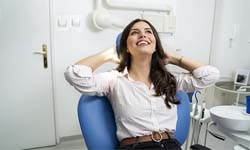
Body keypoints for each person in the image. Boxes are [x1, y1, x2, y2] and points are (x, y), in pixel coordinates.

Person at [64, 18, 220, 150]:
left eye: (148, 32)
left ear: (155, 45)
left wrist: (174, 58)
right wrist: (108, 55)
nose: (142, 35)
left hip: (171, 145)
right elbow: (75, 74)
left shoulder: (170, 80)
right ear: (126, 46)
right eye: (134, 33)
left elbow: (210, 75)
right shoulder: (113, 79)